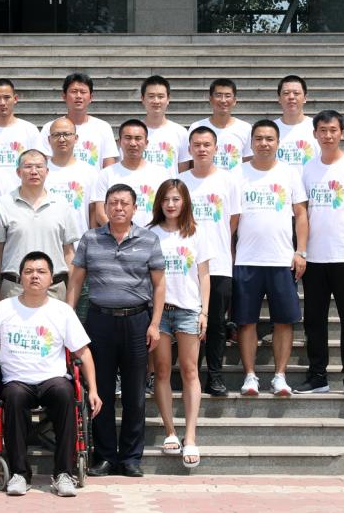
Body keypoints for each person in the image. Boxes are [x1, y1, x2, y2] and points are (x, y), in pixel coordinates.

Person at [0, 251, 102, 498]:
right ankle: (19, 473)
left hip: (52, 379)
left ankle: (63, 473)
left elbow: (84, 352)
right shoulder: (4, 309)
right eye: (29, 271)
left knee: (65, 393)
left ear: (51, 279)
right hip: (17, 381)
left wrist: (94, 390)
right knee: (14, 397)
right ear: (20, 278)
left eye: (41, 272)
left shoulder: (62, 311)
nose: (35, 276)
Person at [67, 183, 165, 478]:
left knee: (135, 393)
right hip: (100, 321)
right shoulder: (91, 238)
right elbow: (76, 281)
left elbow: (159, 285)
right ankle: (106, 456)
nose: (118, 208)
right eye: (113, 202)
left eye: (124, 203)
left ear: (135, 208)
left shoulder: (149, 239)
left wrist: (155, 324)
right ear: (105, 207)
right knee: (102, 391)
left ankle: (131, 458)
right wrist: (69, 319)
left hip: (137, 322)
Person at [295, 110, 344, 401]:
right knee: (314, 320)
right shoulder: (306, 168)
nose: (327, 135)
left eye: (333, 130)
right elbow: (301, 212)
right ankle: (318, 376)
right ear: (314, 134)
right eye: (322, 130)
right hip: (315, 258)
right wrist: (301, 251)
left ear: (341, 133)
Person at [233, 120, 308, 397]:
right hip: (246, 260)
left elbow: (301, 214)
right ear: (251, 142)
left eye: (269, 139)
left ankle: (280, 376)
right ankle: (250, 376)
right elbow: (232, 219)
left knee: (284, 320)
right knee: (246, 321)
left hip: (281, 260)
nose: (264, 143)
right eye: (259, 138)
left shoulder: (289, 173)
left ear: (277, 143)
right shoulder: (237, 173)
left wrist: (301, 251)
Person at [147, 180, 212, 469]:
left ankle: (191, 436)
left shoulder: (196, 232)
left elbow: (204, 275)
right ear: (159, 203)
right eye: (166, 199)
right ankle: (170, 432)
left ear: (184, 202)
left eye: (176, 199)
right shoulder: (150, 234)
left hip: (188, 309)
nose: (171, 204)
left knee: (189, 371)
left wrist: (204, 312)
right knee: (161, 370)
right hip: (159, 312)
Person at [179, 126, 242, 397]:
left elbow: (233, 220)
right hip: (185, 265)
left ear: (216, 148)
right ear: (189, 149)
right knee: (186, 321)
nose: (202, 149)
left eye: (207, 144)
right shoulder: (179, 181)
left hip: (218, 263)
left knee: (216, 323)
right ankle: (188, 374)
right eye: (197, 145)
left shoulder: (229, 180)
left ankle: (214, 375)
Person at [0, 150, 81, 302]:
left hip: (54, 289)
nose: (34, 171)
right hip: (14, 288)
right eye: (28, 167)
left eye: (39, 166)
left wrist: (71, 299)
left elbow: (69, 253)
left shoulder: (61, 204)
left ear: (47, 171)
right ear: (18, 172)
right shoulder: (5, 204)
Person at [90, 120, 169, 228]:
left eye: (138, 138)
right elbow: (100, 214)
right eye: (128, 138)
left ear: (146, 143)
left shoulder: (161, 174)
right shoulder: (106, 174)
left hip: (153, 236)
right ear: (119, 142)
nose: (133, 143)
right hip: (116, 237)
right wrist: (122, 234)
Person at [40, 72, 118, 168]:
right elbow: (43, 164)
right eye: (74, 91)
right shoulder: (51, 127)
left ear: (91, 97)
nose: (78, 96)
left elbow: (109, 167)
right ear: (64, 96)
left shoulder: (103, 127)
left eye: (83, 92)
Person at [44, 116, 99, 236]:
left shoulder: (89, 172)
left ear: (76, 138)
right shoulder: (41, 170)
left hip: (80, 241)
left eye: (67, 134)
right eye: (56, 135)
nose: (61, 139)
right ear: (49, 139)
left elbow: (93, 212)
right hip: (47, 241)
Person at [187, 78, 251, 172]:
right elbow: (190, 161)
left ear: (234, 100)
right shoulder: (196, 127)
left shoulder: (245, 128)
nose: (223, 100)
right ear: (210, 99)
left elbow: (248, 161)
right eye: (218, 95)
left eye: (227, 96)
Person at [0, 78, 41, 173]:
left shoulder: (30, 129)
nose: (2, 103)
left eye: (7, 97)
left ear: (15, 99)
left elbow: (38, 163)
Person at [140, 75, 191, 176]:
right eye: (151, 96)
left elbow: (183, 172)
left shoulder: (180, 132)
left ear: (168, 99)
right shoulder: (133, 131)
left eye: (160, 96)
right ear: (142, 99)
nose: (156, 101)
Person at [274, 75, 318, 171]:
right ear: (279, 99)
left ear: (305, 98)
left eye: (296, 93)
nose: (291, 97)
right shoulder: (271, 129)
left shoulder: (317, 127)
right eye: (286, 93)